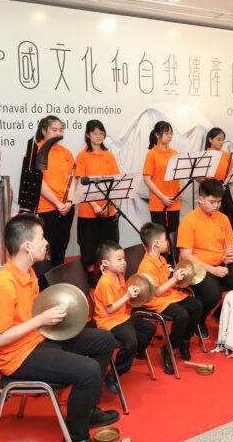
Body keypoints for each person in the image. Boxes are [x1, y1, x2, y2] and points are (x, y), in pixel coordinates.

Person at [0, 214, 118, 442]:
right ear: (27, 246)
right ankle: (76, 440)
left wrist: (51, 314)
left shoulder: (28, 273)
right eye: (41, 238)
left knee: (104, 340)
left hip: (37, 339)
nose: (46, 242)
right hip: (17, 357)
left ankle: (86, 409)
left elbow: (31, 314)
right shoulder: (3, 285)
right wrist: (40, 320)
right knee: (88, 370)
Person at [177, 179, 233, 338]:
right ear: (200, 199)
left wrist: (228, 253)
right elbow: (186, 255)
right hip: (197, 267)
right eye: (212, 202)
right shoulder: (189, 221)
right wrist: (212, 270)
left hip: (221, 263)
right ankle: (199, 321)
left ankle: (220, 313)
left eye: (219, 202)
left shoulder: (223, 218)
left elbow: (229, 244)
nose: (216, 206)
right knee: (212, 295)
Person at [137, 222, 203, 374]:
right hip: (156, 301)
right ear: (156, 243)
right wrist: (174, 279)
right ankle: (169, 348)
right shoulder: (146, 266)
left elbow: (167, 283)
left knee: (196, 305)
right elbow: (157, 292)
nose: (167, 242)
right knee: (182, 315)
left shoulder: (161, 259)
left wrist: (176, 277)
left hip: (170, 295)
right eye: (164, 239)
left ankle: (184, 341)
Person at [91, 241, 155, 392]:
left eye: (124, 259)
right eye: (119, 259)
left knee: (149, 329)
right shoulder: (105, 282)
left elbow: (122, 302)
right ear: (105, 263)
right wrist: (127, 296)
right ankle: (114, 374)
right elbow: (110, 309)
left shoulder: (119, 276)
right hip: (109, 321)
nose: (123, 262)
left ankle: (133, 353)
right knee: (131, 342)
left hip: (123, 316)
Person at [75, 120, 120, 279]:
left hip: (108, 209)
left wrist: (107, 204)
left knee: (108, 244)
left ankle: (106, 274)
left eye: (101, 133)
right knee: (88, 244)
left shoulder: (109, 155)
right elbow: (80, 182)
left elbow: (115, 181)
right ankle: (90, 276)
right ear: (88, 135)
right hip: (88, 210)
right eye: (95, 133)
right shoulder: (82, 156)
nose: (99, 136)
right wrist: (94, 205)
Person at [35, 116, 75, 266]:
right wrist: (57, 203)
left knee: (61, 248)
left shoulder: (66, 153)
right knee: (47, 249)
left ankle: (59, 277)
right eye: (54, 130)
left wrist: (69, 201)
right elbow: (38, 181)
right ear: (43, 130)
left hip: (66, 208)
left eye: (61, 130)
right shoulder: (35, 151)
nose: (59, 133)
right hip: (46, 208)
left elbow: (72, 179)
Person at [143, 121, 181, 247]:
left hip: (174, 200)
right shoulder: (151, 154)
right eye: (166, 133)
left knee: (174, 234)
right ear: (157, 135)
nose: (169, 136)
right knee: (159, 237)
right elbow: (147, 179)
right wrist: (162, 197)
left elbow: (179, 174)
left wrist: (180, 190)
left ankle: (174, 258)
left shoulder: (174, 153)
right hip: (158, 201)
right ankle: (162, 259)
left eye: (171, 133)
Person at [200, 127, 233, 237]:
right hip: (209, 190)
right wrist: (213, 186)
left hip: (224, 188)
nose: (221, 142)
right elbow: (198, 178)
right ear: (210, 139)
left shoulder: (225, 155)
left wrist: (228, 182)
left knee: (226, 216)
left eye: (223, 140)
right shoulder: (205, 155)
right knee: (212, 218)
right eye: (218, 139)